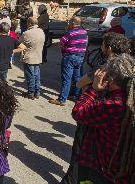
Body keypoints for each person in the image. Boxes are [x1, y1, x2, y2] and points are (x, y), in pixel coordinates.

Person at [72, 54, 134, 184]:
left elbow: (78, 113)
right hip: (121, 171)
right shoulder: (128, 100)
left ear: (110, 79)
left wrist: (93, 90)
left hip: (103, 169)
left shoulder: (112, 105)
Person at [49, 16, 88, 106]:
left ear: (73, 23)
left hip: (70, 57)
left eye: (70, 22)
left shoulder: (70, 33)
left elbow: (62, 42)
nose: (69, 24)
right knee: (77, 77)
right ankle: (76, 96)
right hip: (80, 57)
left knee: (67, 79)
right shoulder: (84, 32)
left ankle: (62, 99)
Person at [20, 17, 45, 100]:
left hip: (29, 57)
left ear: (30, 23)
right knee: (37, 75)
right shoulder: (41, 31)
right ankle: (37, 92)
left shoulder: (26, 33)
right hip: (38, 56)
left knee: (30, 76)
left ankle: (30, 93)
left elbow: (20, 43)